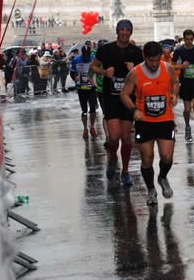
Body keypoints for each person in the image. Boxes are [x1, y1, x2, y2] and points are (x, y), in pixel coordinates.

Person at [120, 42, 180, 205]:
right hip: (144, 121)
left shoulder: (168, 68)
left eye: (156, 60)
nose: (154, 64)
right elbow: (124, 94)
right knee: (147, 158)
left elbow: (175, 83)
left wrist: (174, 95)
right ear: (144, 57)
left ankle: (162, 177)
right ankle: (151, 190)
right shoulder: (135, 73)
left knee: (167, 157)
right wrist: (133, 110)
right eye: (150, 61)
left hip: (165, 119)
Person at [90, 19, 144, 186]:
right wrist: (104, 72)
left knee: (126, 137)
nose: (125, 32)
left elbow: (144, 72)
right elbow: (93, 67)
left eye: (128, 30)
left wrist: (134, 69)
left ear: (131, 32)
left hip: (128, 100)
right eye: (122, 29)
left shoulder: (136, 51)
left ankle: (126, 171)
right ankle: (112, 159)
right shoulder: (106, 49)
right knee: (113, 137)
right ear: (117, 31)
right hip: (112, 97)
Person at [172, 29, 194, 145]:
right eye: (187, 39)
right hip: (185, 83)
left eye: (191, 39)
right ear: (184, 39)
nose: (189, 42)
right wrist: (181, 66)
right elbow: (171, 66)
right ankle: (187, 127)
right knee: (186, 109)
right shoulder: (178, 51)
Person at [70, 45, 97, 140]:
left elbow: (99, 70)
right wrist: (75, 78)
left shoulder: (93, 59)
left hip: (92, 88)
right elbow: (72, 73)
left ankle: (92, 126)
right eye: (85, 55)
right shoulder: (76, 60)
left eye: (87, 55)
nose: (86, 57)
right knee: (84, 110)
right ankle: (85, 128)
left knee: (93, 109)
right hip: (81, 88)